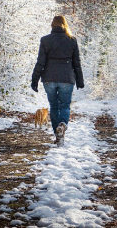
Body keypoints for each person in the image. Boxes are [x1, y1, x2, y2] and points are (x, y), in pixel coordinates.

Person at [31, 15, 84, 146]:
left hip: (49, 78)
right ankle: (62, 125)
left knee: (54, 106)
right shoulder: (72, 40)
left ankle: (57, 135)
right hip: (66, 78)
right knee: (65, 105)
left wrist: (35, 79)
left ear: (52, 25)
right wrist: (80, 80)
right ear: (64, 25)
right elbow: (76, 63)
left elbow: (40, 62)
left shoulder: (45, 40)